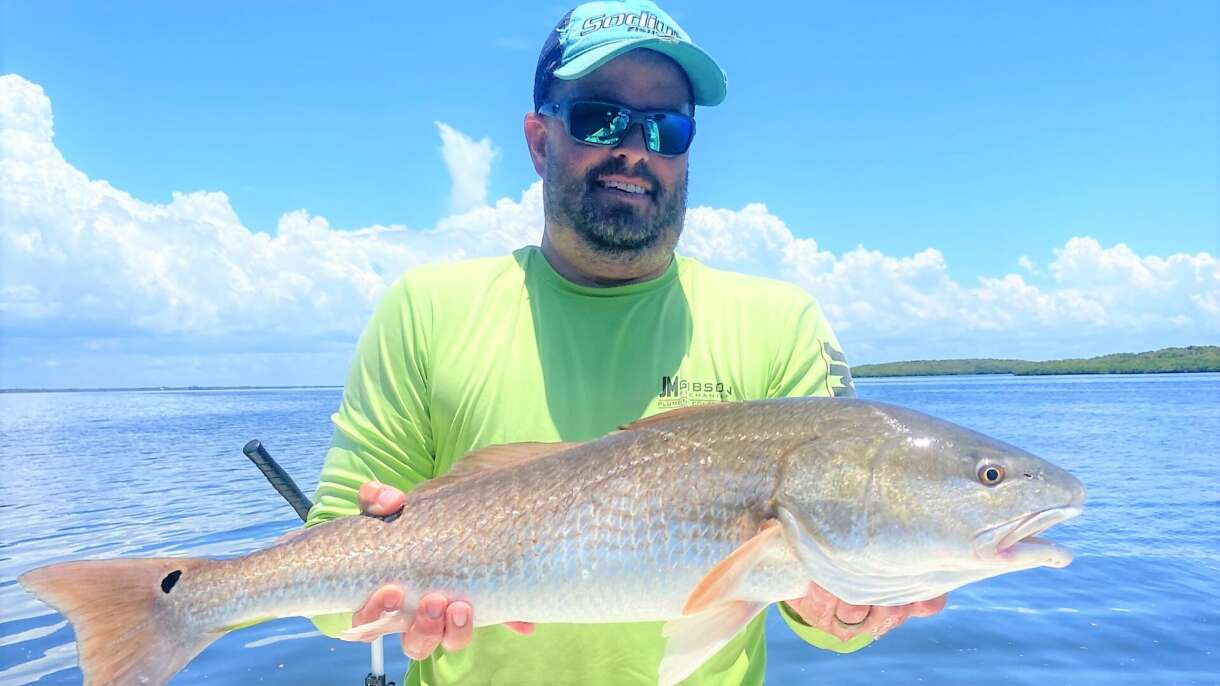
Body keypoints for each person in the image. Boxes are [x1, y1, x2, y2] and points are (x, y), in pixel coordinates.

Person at [304, 1, 945, 684]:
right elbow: (328, 595)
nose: (635, 149)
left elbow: (820, 623)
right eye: (598, 117)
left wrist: (847, 611)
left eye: (666, 127)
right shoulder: (425, 309)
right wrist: (369, 589)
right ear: (540, 140)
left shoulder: (781, 323)